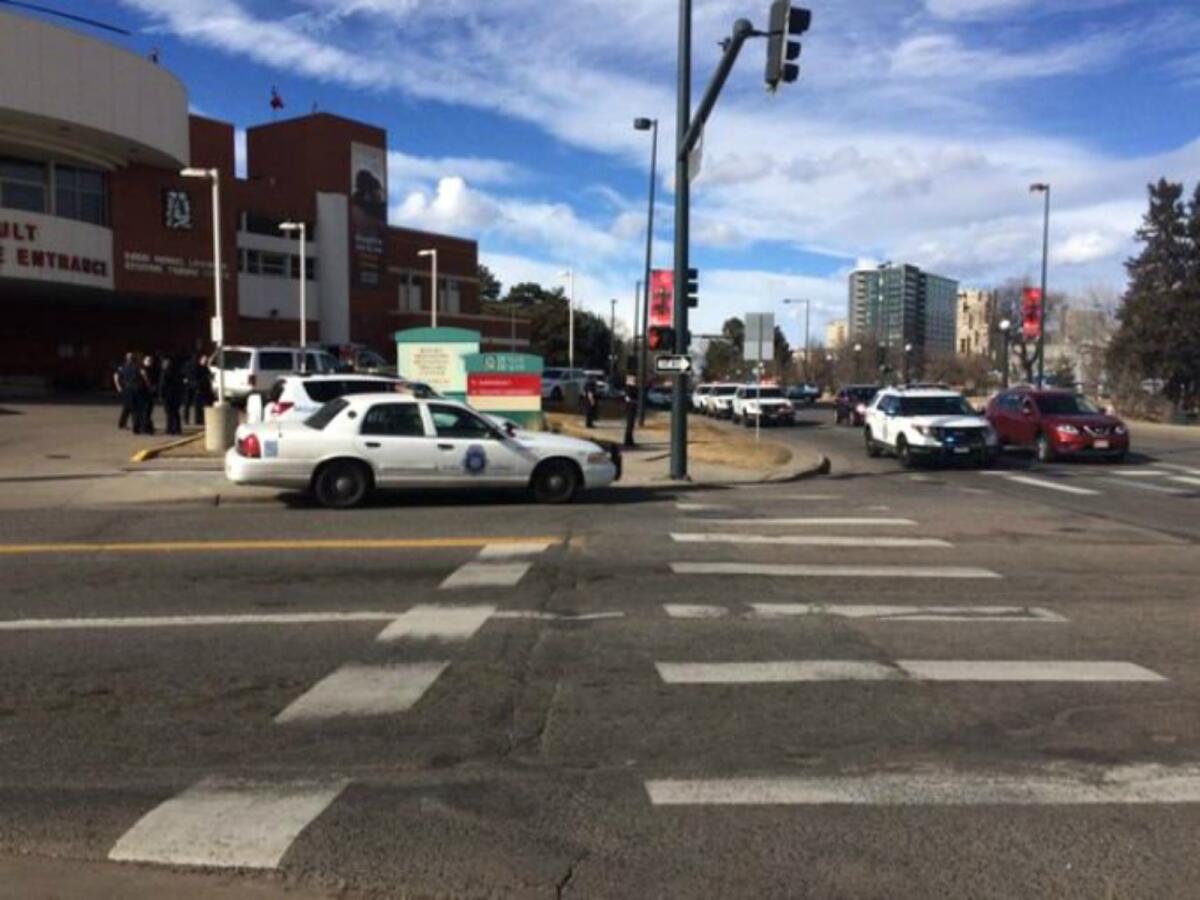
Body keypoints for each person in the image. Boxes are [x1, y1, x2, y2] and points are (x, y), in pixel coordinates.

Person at [113, 353, 138, 430]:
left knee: (127, 407)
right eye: (130, 357)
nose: (131, 358)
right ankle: (135, 426)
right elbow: (116, 376)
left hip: (132, 388)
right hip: (128, 388)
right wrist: (118, 387)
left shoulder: (134, 366)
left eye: (132, 357)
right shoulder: (123, 367)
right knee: (132, 408)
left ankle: (122, 424)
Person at [159, 356, 184, 435]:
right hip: (176, 394)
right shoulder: (176, 373)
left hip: (168, 395)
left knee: (169, 413)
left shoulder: (164, 373)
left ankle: (170, 429)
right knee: (176, 413)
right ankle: (177, 428)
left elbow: (163, 385)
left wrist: (161, 395)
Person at [135, 354, 157, 435]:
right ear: (144, 361)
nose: (150, 362)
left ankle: (144, 427)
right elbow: (145, 380)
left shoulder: (151, 370)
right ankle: (144, 428)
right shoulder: (142, 369)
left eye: (151, 361)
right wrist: (150, 387)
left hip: (147, 393)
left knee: (146, 411)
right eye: (148, 360)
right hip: (142, 392)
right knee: (144, 411)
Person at [193, 353, 214, 423]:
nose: (205, 361)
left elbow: (210, 377)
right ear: (200, 360)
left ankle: (203, 419)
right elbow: (196, 378)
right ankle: (198, 420)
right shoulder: (197, 368)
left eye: (206, 360)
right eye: (204, 360)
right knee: (198, 406)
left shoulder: (206, 368)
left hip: (206, 389)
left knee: (206, 405)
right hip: (199, 388)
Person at [181, 353, 201, 426]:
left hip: (188, 385)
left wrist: (185, 379)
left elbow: (182, 374)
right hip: (195, 385)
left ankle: (186, 419)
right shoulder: (197, 366)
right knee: (196, 404)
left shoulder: (186, 365)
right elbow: (200, 375)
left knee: (187, 404)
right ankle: (197, 419)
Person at [623, 374, 638, 448]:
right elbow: (628, 398)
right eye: (633, 379)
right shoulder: (628, 388)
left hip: (632, 408)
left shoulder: (634, 388)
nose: (634, 380)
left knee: (631, 425)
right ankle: (627, 441)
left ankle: (630, 440)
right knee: (629, 425)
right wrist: (635, 401)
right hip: (630, 408)